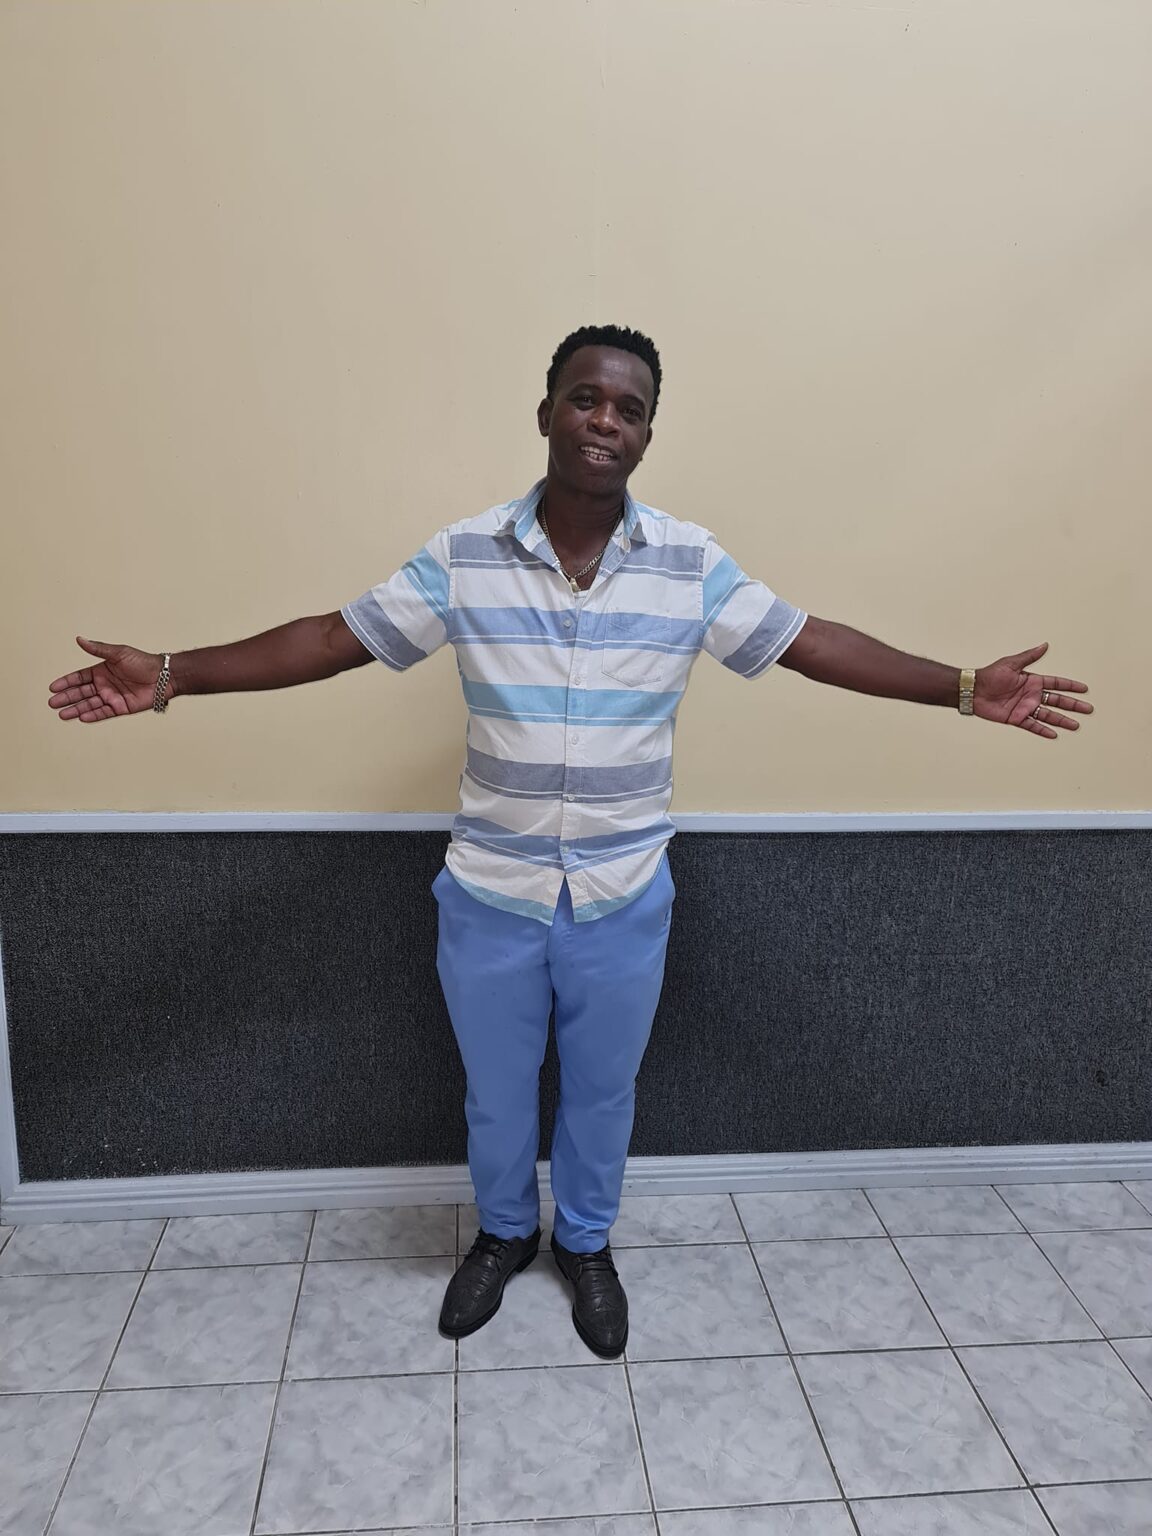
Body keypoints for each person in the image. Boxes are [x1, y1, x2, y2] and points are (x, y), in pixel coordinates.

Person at [47, 323, 1093, 1359]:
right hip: (490, 890)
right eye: (585, 398)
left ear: (647, 435)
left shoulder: (689, 562)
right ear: (546, 411)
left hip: (623, 892)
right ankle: (505, 1234)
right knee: (496, 1094)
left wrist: (962, 688)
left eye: (629, 409)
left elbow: (810, 642)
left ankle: (585, 1245)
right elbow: (330, 638)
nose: (605, 421)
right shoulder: (465, 554)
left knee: (602, 1091)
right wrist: (172, 674)